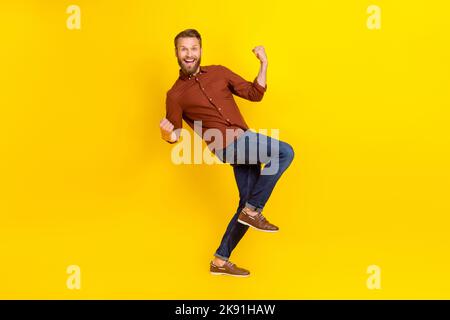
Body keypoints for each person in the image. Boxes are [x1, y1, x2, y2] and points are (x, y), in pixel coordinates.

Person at [159, 29, 294, 277]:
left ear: (200, 50)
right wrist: (167, 135)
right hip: (228, 146)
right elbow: (175, 134)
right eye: (183, 49)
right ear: (176, 53)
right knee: (285, 152)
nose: (189, 54)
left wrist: (264, 64)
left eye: (193, 48)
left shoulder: (219, 72)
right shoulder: (174, 95)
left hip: (244, 141)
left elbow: (254, 94)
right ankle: (253, 210)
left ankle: (220, 260)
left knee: (245, 205)